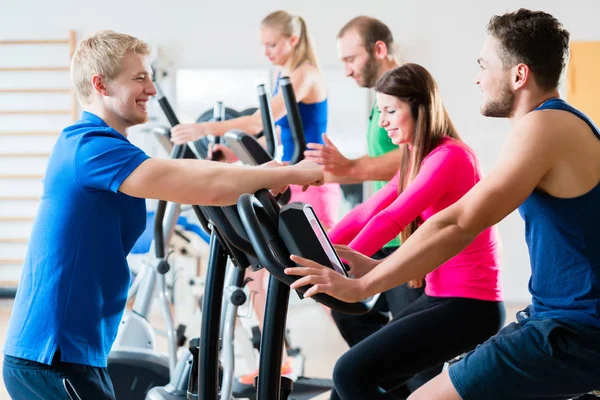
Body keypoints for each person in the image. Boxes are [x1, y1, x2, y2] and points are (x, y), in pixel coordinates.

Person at [288, 8, 600, 400]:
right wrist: (372, 264)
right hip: (549, 319)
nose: (477, 78)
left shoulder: (544, 126)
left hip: (576, 331)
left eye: (484, 66)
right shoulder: (548, 127)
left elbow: (457, 224)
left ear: (519, 75)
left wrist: (363, 284)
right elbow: (379, 212)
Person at [1, 30, 323, 400]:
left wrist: (242, 174)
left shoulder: (100, 145)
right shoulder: (89, 147)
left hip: (71, 351)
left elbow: (188, 182)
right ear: (100, 84)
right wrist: (285, 173)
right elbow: (198, 185)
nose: (152, 90)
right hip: (50, 357)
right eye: (140, 78)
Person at [287, 62, 506, 399]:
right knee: (348, 387)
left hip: (470, 306)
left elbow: (393, 218)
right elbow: (365, 211)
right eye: (380, 112)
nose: (384, 120)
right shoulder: (415, 156)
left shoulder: (451, 157)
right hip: (441, 296)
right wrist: (319, 247)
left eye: (391, 110)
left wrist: (338, 268)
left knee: (349, 374)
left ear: (420, 108)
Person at [306, 17, 436, 393]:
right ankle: (383, 382)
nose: (346, 70)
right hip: (388, 229)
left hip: (410, 234)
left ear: (379, 50)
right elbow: (380, 171)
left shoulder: (407, 94)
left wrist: (349, 168)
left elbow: (410, 160)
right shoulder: (382, 102)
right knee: (344, 308)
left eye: (351, 59)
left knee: (416, 346)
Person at [170, 10, 341, 230]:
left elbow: (258, 123)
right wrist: (233, 152)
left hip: (313, 181)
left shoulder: (304, 74)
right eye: (263, 45)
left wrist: (203, 128)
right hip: (292, 176)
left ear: (293, 40)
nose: (266, 52)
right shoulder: (282, 76)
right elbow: (279, 133)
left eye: (271, 45)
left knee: (315, 260)